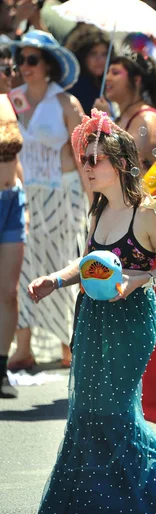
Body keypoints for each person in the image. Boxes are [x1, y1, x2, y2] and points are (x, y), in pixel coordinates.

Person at [30, 109, 156, 514]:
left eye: (95, 160)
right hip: (92, 317)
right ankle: (89, 503)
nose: (86, 167)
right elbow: (89, 264)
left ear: (121, 164)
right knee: (87, 407)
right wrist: (56, 279)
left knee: (115, 408)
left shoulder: (147, 213)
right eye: (83, 159)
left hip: (131, 319)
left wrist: (136, 279)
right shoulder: (98, 208)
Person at [7, 30, 88, 370]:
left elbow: (85, 155)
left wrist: (96, 199)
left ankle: (67, 345)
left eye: (32, 60)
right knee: (25, 266)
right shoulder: (13, 98)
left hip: (63, 194)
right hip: (28, 193)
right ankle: (23, 348)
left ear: (48, 64)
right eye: (20, 59)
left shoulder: (66, 103)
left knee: (62, 264)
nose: (24, 66)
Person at [95, 50, 156, 172]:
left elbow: (126, 161)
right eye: (107, 72)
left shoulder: (146, 118)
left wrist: (105, 120)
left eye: (115, 73)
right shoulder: (124, 116)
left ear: (136, 80)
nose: (107, 77)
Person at [0, 47, 25, 398]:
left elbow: (16, 158)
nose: (9, 71)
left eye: (9, 65)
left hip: (13, 202)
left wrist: (26, 202)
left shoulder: (9, 103)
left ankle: (1, 366)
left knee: (8, 290)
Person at [65, 25, 112, 116]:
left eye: (104, 54)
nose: (100, 60)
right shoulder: (76, 88)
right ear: (83, 56)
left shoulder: (105, 82)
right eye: (93, 54)